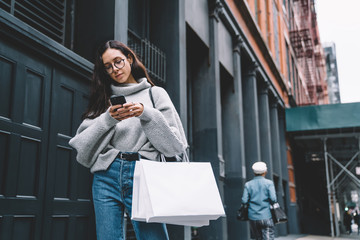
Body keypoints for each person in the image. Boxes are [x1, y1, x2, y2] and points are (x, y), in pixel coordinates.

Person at [69, 40, 188, 240]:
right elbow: (82, 150)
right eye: (108, 66)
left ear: (130, 59)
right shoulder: (103, 100)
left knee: (153, 238)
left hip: (145, 173)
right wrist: (108, 119)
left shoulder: (155, 94)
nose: (114, 69)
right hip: (107, 175)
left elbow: (174, 146)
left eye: (118, 62)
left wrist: (146, 114)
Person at [241, 161, 277, 240]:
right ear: (265, 172)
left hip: (253, 217)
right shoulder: (269, 183)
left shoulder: (248, 184)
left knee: (258, 238)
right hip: (266, 215)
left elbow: (244, 200)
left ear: (254, 172)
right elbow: (273, 199)